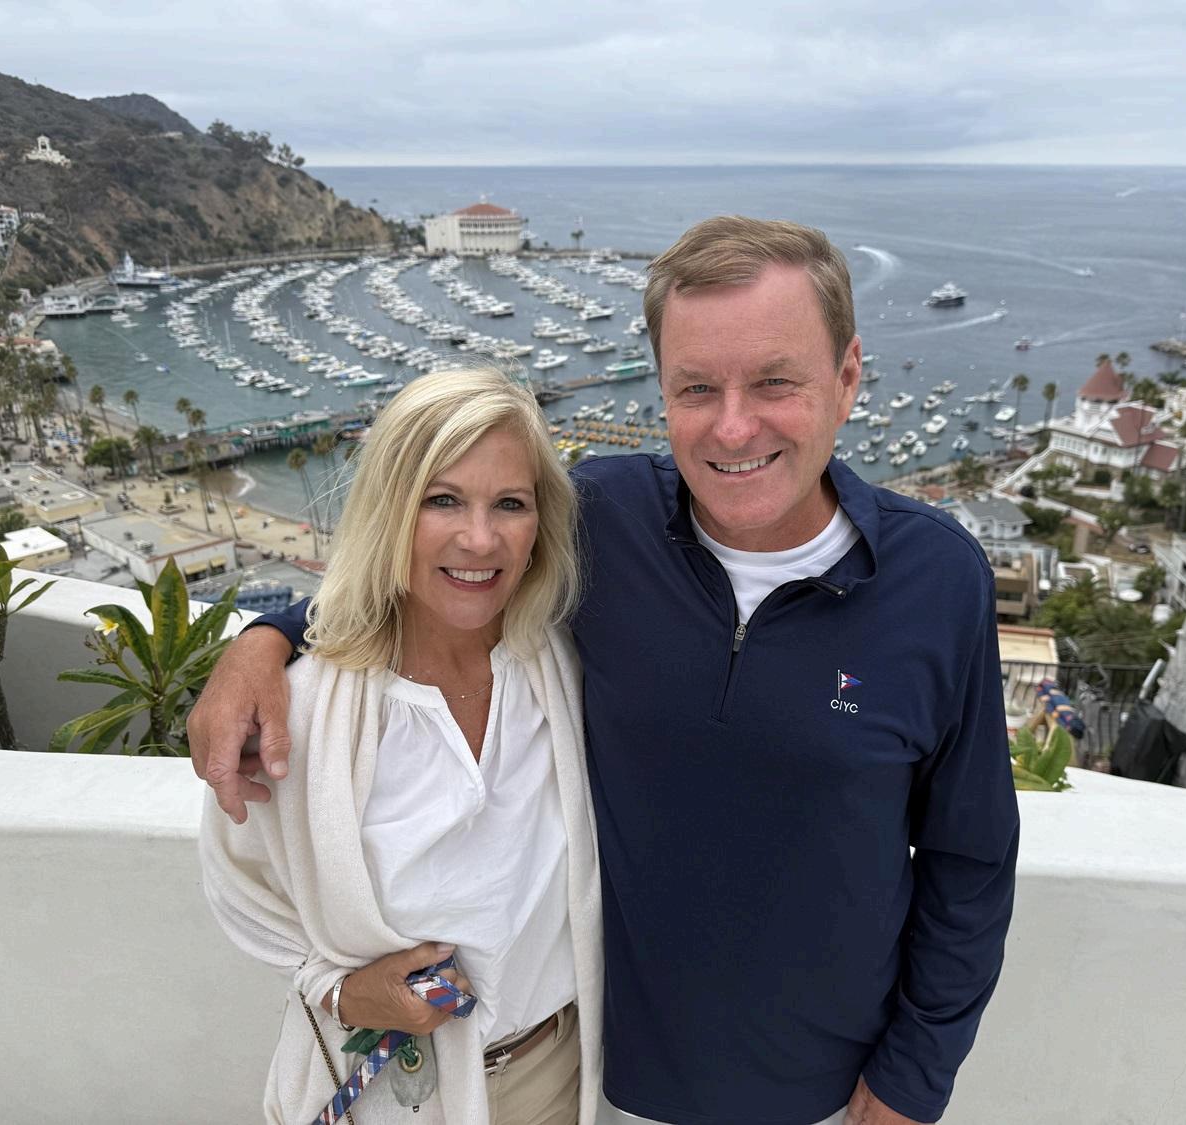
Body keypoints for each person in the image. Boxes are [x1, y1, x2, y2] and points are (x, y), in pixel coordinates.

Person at [193, 216, 1020, 1125]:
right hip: (606, 1085)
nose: (733, 425)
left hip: (827, 1098)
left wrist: (915, 1078)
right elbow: (440, 574)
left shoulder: (937, 580)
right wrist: (263, 641)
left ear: (848, 377)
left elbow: (971, 859)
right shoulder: (606, 523)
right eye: (696, 387)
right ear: (662, 390)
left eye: (774, 382)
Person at [199, 366, 602, 1125]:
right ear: (391, 509)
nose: (479, 538)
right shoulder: (306, 714)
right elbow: (240, 884)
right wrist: (343, 991)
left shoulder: (568, 665)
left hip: (557, 1075)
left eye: (510, 503)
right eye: (442, 499)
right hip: (392, 1093)